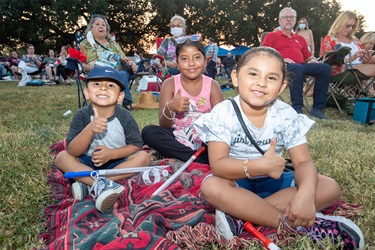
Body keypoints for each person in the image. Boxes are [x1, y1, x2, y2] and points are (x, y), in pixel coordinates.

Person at [193, 47, 364, 249]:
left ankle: (242, 215)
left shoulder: (285, 114)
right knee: (211, 187)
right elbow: (219, 166)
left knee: (329, 186)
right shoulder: (223, 113)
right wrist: (261, 166)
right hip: (237, 182)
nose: (261, 83)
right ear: (236, 77)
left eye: (271, 78)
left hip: (275, 184)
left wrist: (305, 196)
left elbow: (303, 162)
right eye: (253, 74)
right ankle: (294, 225)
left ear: (281, 87)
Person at [54, 66, 151, 212]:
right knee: (61, 157)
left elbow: (136, 144)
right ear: (86, 92)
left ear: (120, 97)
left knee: (144, 157)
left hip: (117, 164)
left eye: (111, 85)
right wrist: (89, 129)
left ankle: (92, 184)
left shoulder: (124, 116)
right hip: (86, 162)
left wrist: (111, 154)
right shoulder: (82, 115)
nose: (103, 88)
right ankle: (100, 185)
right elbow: (72, 151)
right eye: (97, 84)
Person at [141, 36, 224, 164]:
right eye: (184, 58)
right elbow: (164, 125)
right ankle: (197, 158)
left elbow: (221, 124)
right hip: (177, 136)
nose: (191, 63)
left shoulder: (212, 85)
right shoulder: (170, 84)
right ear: (177, 62)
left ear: (205, 61)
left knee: (219, 139)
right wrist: (170, 107)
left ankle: (189, 156)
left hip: (204, 138)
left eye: (197, 57)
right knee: (149, 132)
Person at [262, 7, 331, 120]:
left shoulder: (299, 38)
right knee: (297, 68)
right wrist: (282, 59)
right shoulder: (271, 36)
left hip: (301, 65)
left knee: (324, 68)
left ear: (295, 20)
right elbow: (265, 53)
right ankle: (297, 108)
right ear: (280, 21)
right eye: (285, 17)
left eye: (291, 17)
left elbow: (307, 56)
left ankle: (318, 108)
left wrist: (311, 60)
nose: (288, 20)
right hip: (281, 66)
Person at [79, 14, 136, 107]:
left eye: (103, 25)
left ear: (106, 29)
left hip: (117, 71)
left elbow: (124, 59)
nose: (101, 26)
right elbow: (80, 64)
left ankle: (123, 101)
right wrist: (93, 68)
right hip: (97, 72)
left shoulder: (112, 44)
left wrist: (131, 62)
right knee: (118, 75)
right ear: (91, 28)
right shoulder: (85, 44)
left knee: (121, 74)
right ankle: (124, 102)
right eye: (97, 24)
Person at [320, 11, 375, 96]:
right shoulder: (330, 39)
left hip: (358, 67)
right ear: (340, 23)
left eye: (353, 27)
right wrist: (351, 58)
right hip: (342, 72)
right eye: (348, 26)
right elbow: (326, 61)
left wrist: (365, 56)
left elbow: (360, 59)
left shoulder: (355, 40)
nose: (350, 29)